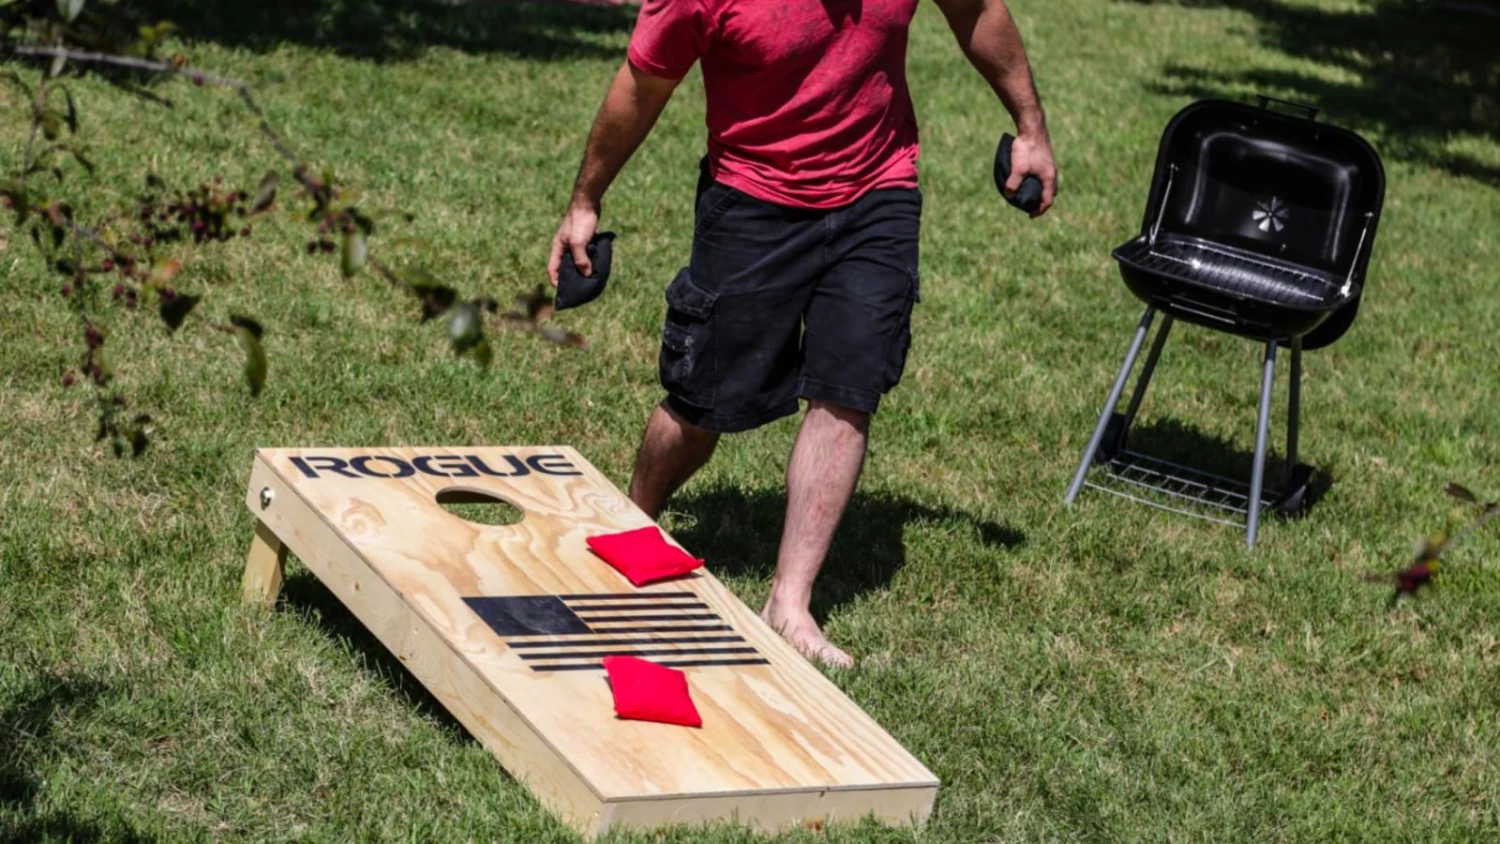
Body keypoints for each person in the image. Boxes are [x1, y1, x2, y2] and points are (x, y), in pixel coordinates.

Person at [548, 0, 1056, 668]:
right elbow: (642, 87)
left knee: (848, 389)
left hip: (879, 191)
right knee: (703, 405)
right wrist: (585, 201)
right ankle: (631, 518)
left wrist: (1030, 127)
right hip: (752, 196)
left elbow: (977, 12)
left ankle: (789, 602)